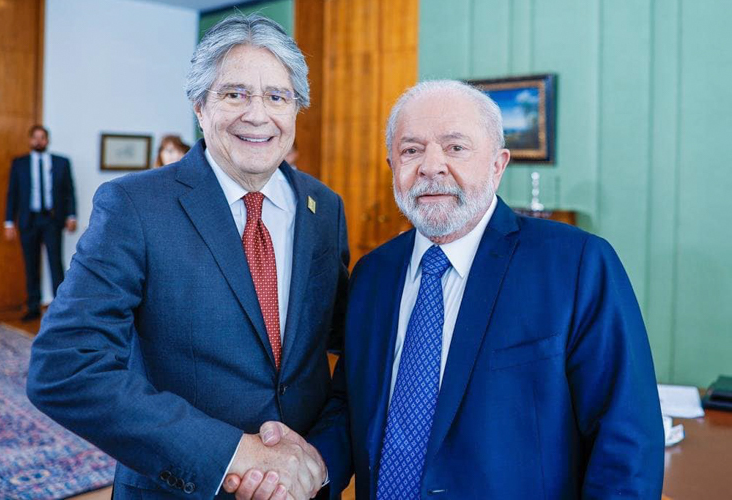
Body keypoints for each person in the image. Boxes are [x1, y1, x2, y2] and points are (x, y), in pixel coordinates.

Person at [237, 80, 665, 499]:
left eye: (455, 147)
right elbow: (353, 406)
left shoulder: (576, 264)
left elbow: (627, 443)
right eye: (411, 150)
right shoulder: (373, 275)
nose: (431, 166)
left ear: (497, 165)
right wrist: (311, 467)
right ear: (392, 167)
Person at [27, 14, 348, 500]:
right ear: (200, 106)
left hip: (304, 487)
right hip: (180, 490)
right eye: (234, 94)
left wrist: (321, 459)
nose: (257, 115)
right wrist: (231, 454)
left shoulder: (323, 207)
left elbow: (348, 344)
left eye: (277, 97)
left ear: (296, 109)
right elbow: (64, 366)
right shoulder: (135, 205)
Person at [4, 125, 77, 321]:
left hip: (52, 220)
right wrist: (9, 222)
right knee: (31, 265)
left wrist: (71, 216)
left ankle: (61, 308)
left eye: (42, 137)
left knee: (55, 263)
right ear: (30, 140)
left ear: (47, 140)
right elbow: (12, 194)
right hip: (29, 220)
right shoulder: (19, 164)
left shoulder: (61, 162)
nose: (38, 141)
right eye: (35, 137)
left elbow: (69, 191)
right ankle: (33, 306)